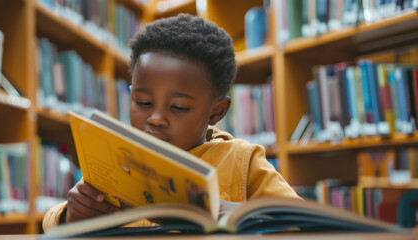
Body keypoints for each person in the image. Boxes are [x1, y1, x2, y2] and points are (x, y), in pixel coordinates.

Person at [43, 13, 300, 232]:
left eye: (179, 108)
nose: (155, 118)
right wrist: (71, 215)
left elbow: (303, 224)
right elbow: (53, 222)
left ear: (216, 111)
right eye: (143, 102)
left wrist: (235, 214)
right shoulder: (116, 157)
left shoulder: (241, 160)